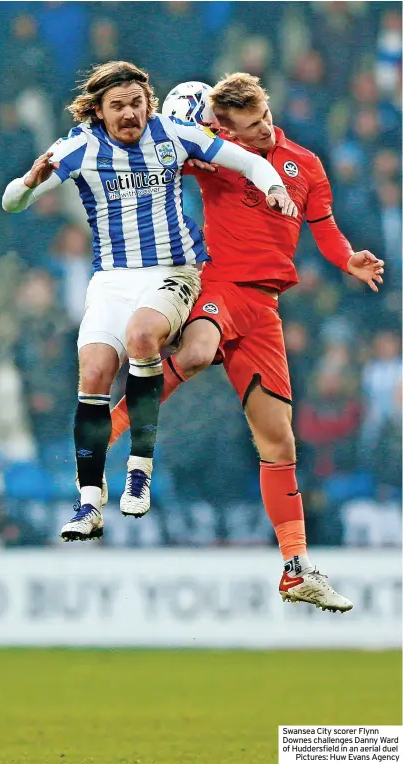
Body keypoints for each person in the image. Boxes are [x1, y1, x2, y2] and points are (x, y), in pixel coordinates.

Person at [107, 74, 385, 613]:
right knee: (193, 351)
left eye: (263, 120)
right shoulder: (218, 154)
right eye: (248, 127)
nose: (261, 132)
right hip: (222, 285)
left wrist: (347, 257)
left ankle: (295, 568)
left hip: (265, 309)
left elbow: (324, 228)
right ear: (223, 126)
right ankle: (109, 428)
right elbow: (159, 157)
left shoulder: (305, 162)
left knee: (279, 443)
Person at [2, 61, 295, 541]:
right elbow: (10, 203)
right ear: (98, 111)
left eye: (137, 103)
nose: (129, 114)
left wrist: (276, 187)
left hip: (173, 271)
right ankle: (89, 502)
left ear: (148, 105)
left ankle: (139, 468)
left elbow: (250, 162)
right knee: (94, 372)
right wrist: (29, 183)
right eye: (118, 106)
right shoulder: (77, 148)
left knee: (142, 336)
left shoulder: (174, 135)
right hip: (112, 280)